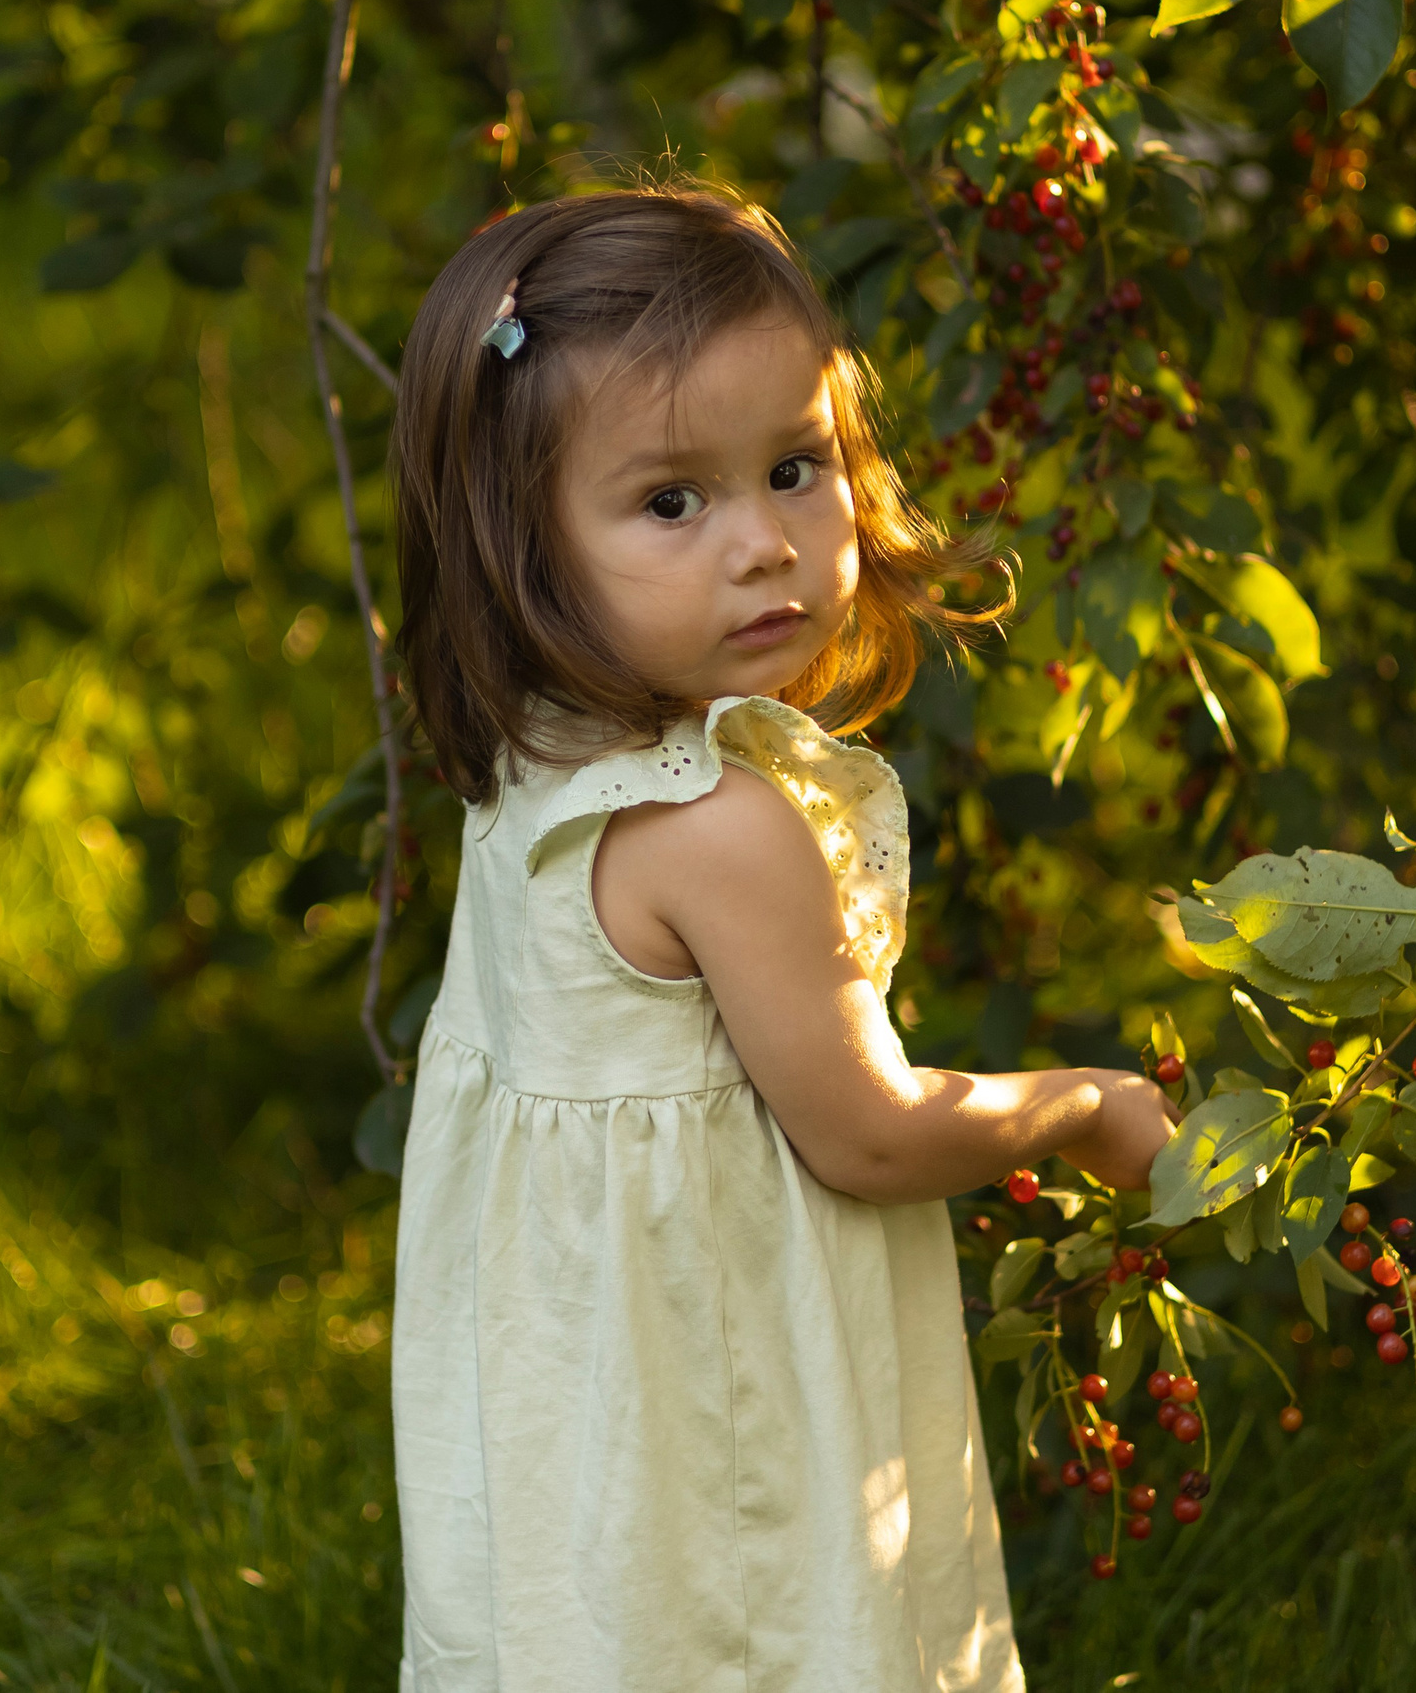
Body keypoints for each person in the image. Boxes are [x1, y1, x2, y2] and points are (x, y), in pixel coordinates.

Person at [385, 173, 1179, 1692]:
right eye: (672, 501)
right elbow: (866, 1136)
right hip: (718, 1383)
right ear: (524, 547)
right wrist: (1080, 1109)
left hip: (579, 1390)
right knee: (761, 1635)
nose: (761, 543)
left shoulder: (540, 761)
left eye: (796, 468)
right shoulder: (719, 827)